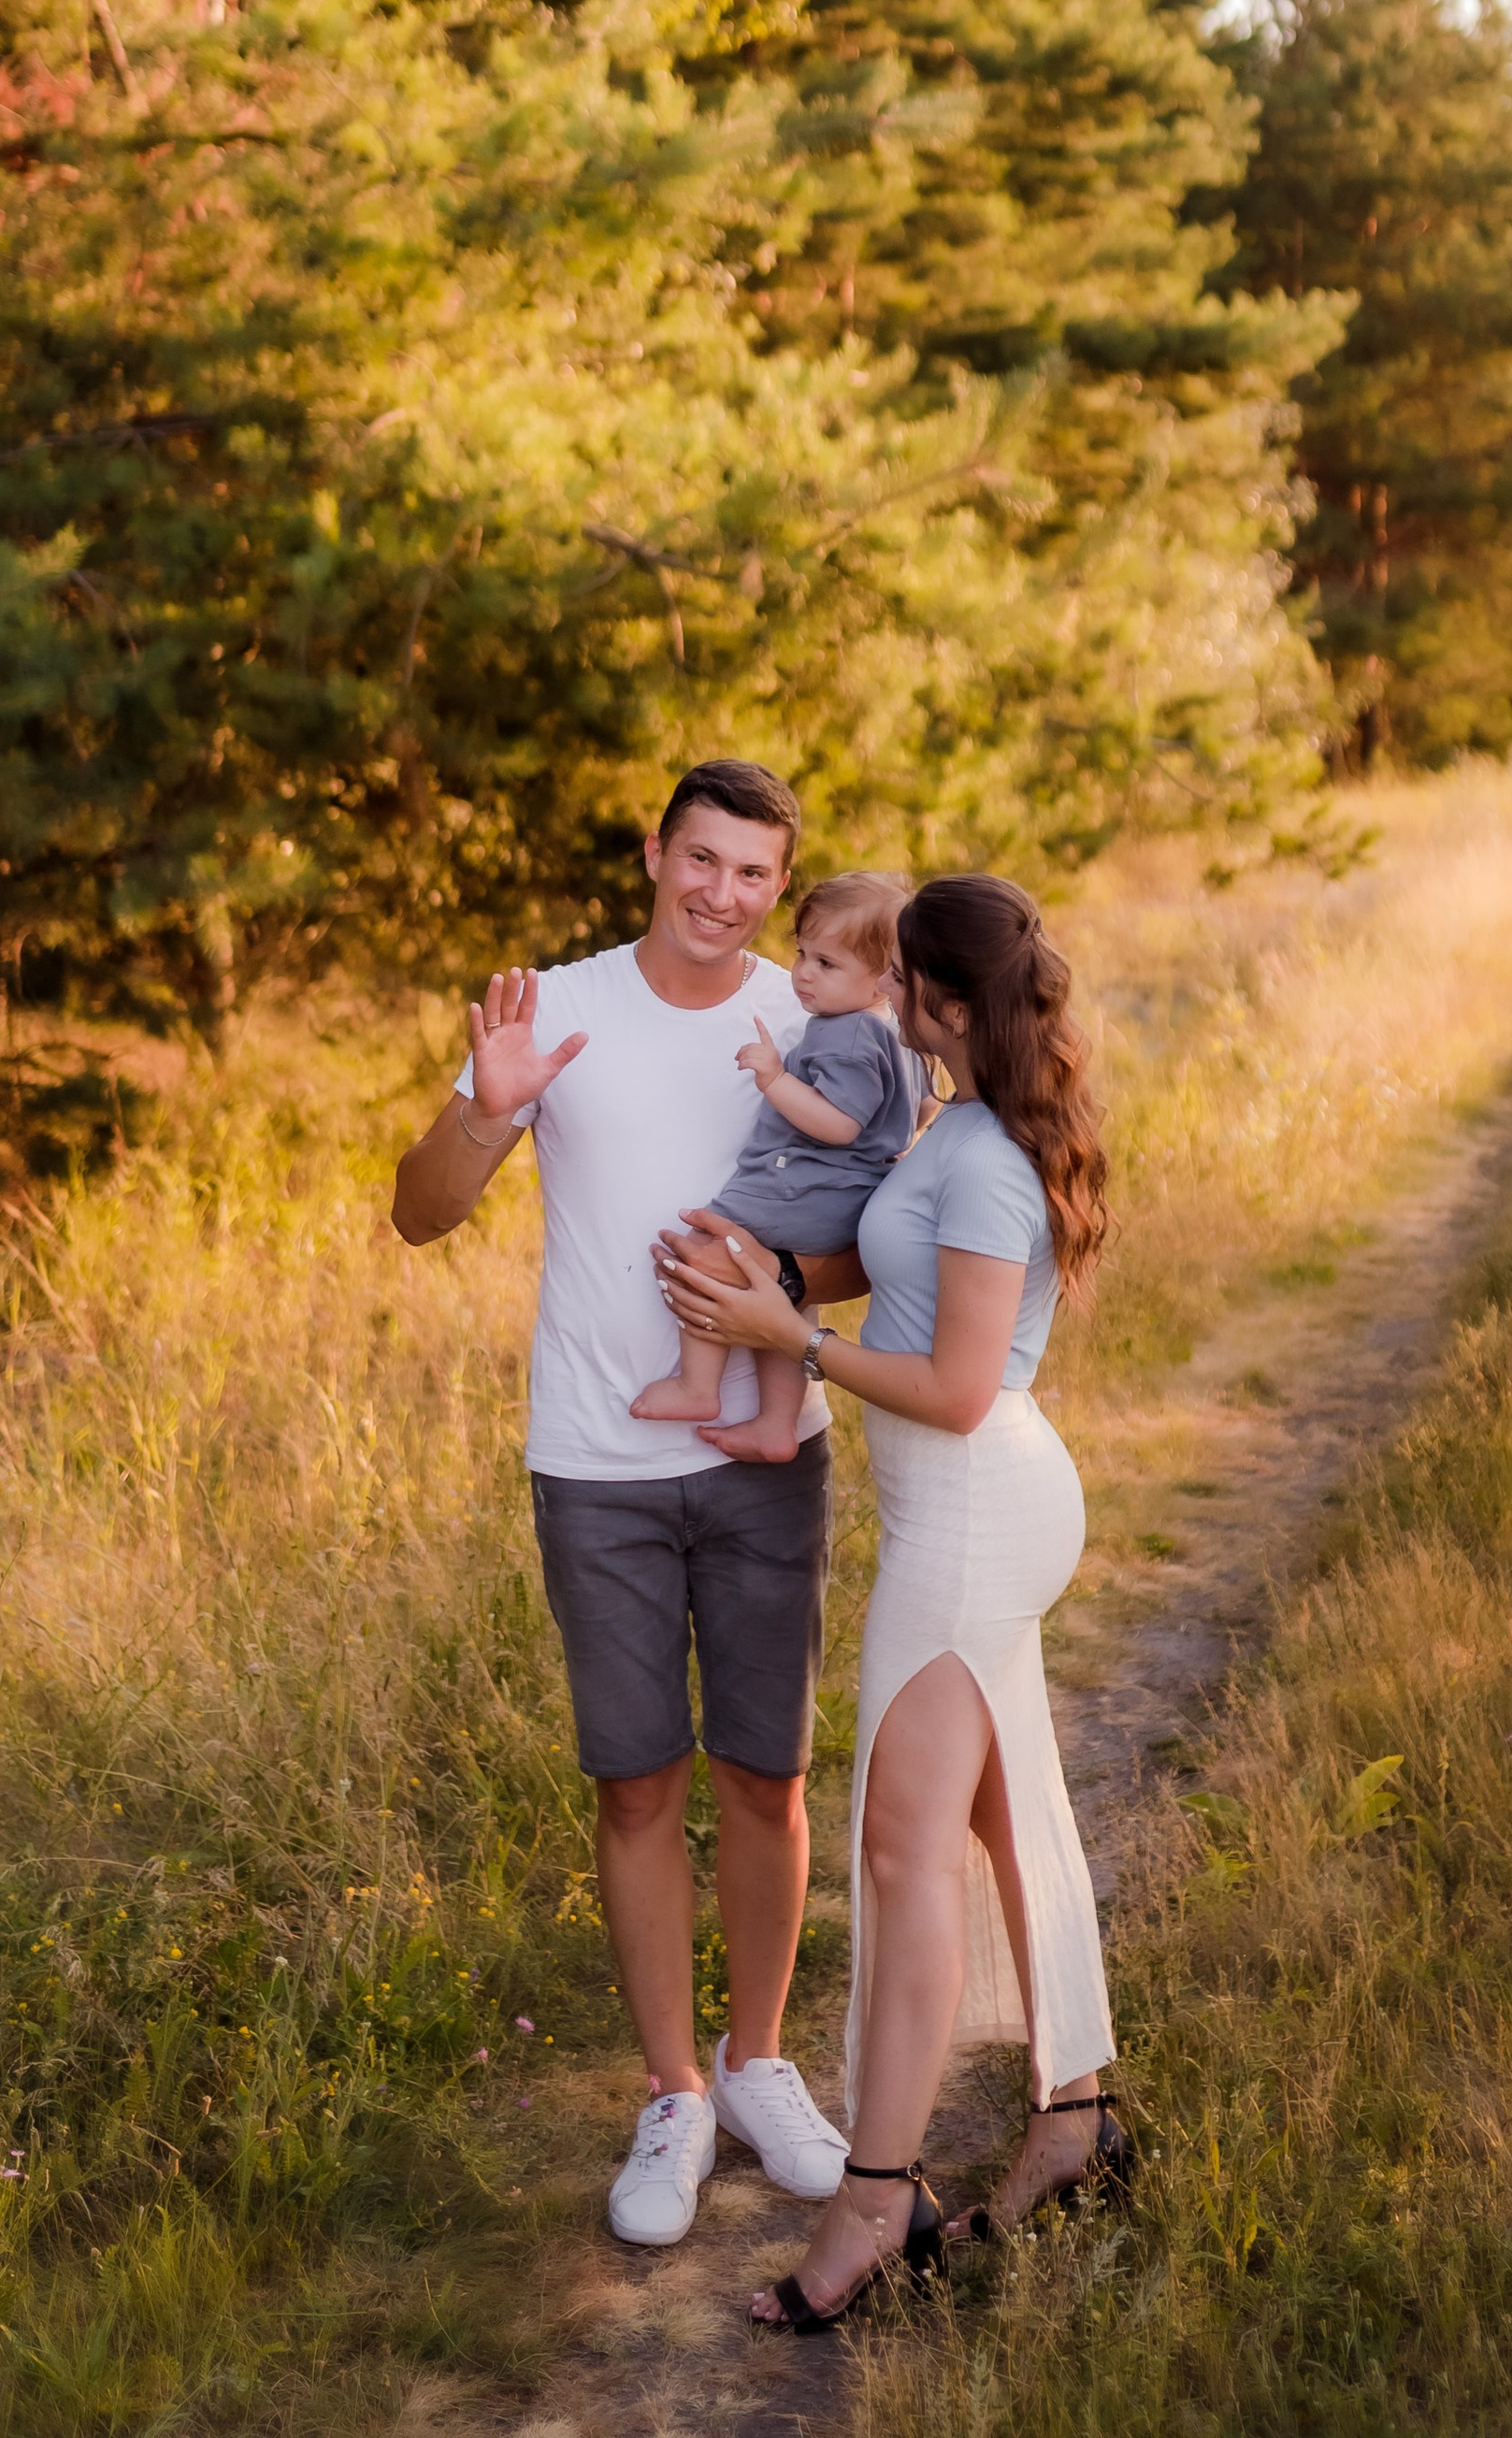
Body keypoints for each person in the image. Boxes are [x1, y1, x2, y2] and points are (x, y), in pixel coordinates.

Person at [655, 871, 1131, 2336]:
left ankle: (878, 2194)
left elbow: (960, 1383)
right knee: (999, 1813)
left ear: (932, 1002)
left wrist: (789, 1333)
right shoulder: (963, 1124)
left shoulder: (982, 1155)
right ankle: (1078, 2120)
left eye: (890, 983)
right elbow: (897, 1261)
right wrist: (778, 1270)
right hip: (961, 1505)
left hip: (975, 1513)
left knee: (902, 1844)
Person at [389, 757, 854, 2251]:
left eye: (753, 875)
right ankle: (674, 2093)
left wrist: (778, 1285)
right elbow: (420, 1209)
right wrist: (487, 1106)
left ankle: (759, 2057)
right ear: (654, 851)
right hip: (597, 1459)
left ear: (780, 886)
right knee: (638, 1782)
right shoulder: (560, 1009)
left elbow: (865, 1242)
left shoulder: (811, 1014)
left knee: (764, 1774)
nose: (721, 896)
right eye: (699, 861)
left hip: (766, 1453)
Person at [631, 871, 922, 1461]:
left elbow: (839, 1123)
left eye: (827, 964)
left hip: (806, 1191)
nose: (803, 974)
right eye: (802, 955)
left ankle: (697, 1386)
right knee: (784, 1296)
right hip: (841, 1202)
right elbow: (914, 1113)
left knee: (712, 1248)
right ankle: (776, 1423)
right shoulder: (897, 1037)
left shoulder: (847, 1035)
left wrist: (774, 1077)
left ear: (882, 978)